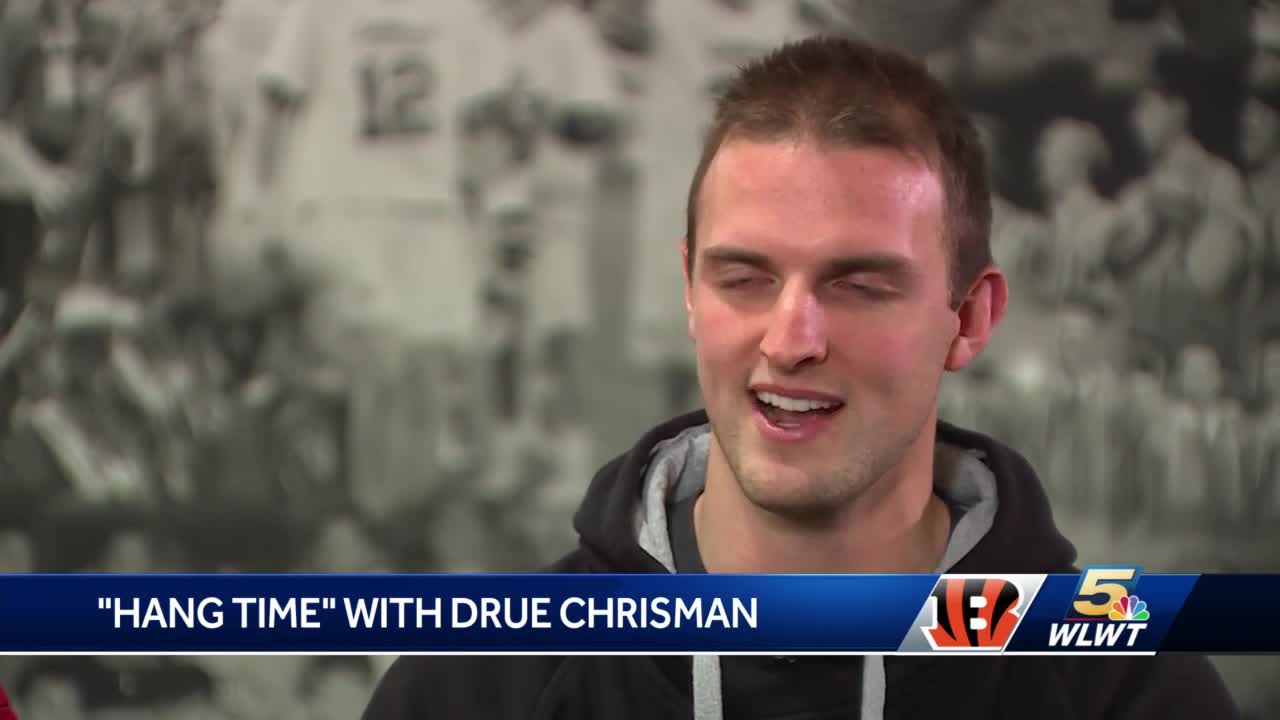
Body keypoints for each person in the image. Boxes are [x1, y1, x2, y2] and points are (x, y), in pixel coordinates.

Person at [362, 35, 1240, 720]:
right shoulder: (477, 683)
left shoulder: (1129, 688)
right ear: (690, 294)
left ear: (969, 318)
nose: (790, 339)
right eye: (743, 279)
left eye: (858, 285)